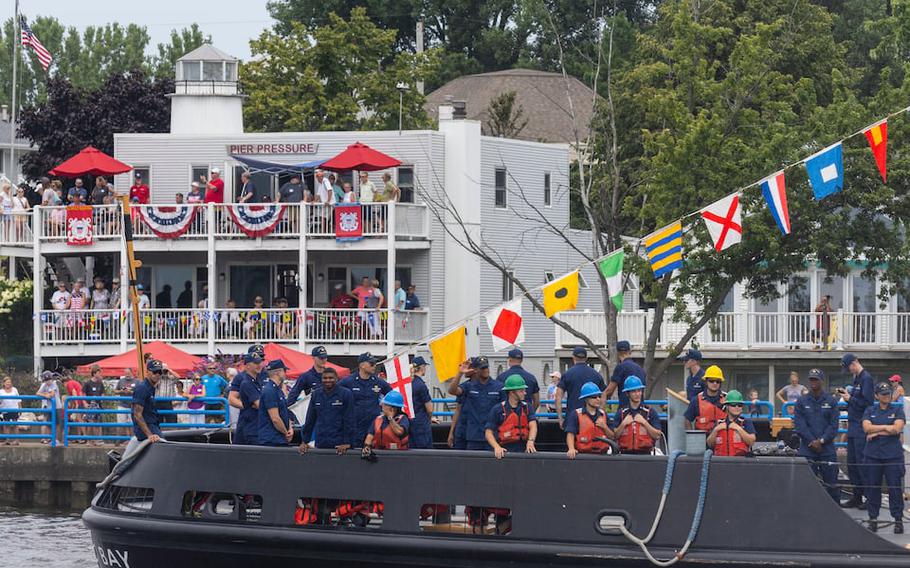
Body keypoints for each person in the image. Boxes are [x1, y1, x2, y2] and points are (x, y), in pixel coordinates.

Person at [862, 381, 906, 534]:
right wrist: (887, 427)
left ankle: (898, 520)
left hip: (892, 455)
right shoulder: (870, 410)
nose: (886, 396)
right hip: (873, 455)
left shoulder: (898, 409)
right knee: (873, 488)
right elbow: (867, 428)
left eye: (888, 393)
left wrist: (878, 432)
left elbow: (897, 429)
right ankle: (873, 519)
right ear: (876, 396)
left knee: (895, 489)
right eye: (883, 394)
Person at [793, 368, 841, 503]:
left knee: (832, 484)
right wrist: (812, 441)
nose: (813, 382)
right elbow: (800, 425)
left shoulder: (831, 401)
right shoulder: (801, 401)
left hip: (827, 449)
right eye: (811, 379)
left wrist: (821, 441)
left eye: (816, 379)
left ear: (822, 381)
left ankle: (835, 514)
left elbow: (834, 425)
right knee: (806, 485)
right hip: (808, 449)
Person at [839, 353, 875, 509]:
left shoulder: (866, 378)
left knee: (862, 463)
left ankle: (870, 498)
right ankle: (857, 495)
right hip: (853, 426)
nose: (849, 370)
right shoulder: (856, 379)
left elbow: (868, 403)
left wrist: (850, 399)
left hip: (862, 426)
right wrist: (847, 396)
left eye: (849, 367)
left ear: (854, 363)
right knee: (852, 463)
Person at [447, 357, 504, 450]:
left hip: (493, 436)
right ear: (476, 370)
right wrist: (460, 373)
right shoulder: (469, 386)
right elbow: (452, 391)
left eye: (486, 367)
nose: (486, 370)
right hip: (474, 436)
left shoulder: (499, 386)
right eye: (482, 368)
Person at [338, 353, 392, 447]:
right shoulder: (349, 381)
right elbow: (335, 392)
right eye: (371, 364)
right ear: (362, 365)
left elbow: (392, 395)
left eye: (375, 363)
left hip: (373, 426)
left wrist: (386, 411)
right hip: (355, 426)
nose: (374, 366)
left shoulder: (379, 382)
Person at [299, 367, 356, 454]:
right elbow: (310, 419)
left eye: (331, 378)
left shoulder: (345, 394)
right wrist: (304, 441)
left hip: (340, 445)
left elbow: (350, 419)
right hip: (321, 442)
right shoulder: (316, 394)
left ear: (336, 379)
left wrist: (347, 442)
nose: (327, 380)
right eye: (325, 378)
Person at [484, 375, 537, 459]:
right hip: (505, 449)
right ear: (512, 392)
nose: (525, 393)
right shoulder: (498, 409)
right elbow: (488, 432)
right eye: (521, 391)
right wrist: (496, 447)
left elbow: (533, 425)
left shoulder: (527, 407)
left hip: (524, 450)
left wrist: (530, 441)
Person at [555, 347, 606, 430]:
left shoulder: (567, 374)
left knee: (572, 441)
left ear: (573, 358)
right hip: (592, 417)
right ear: (586, 358)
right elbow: (604, 396)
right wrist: (601, 415)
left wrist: (560, 418)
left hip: (572, 417)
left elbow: (558, 397)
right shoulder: (596, 374)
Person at [125, 360, 165, 456]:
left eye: (160, 372)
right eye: (155, 372)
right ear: (147, 372)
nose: (157, 375)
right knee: (163, 448)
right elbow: (137, 414)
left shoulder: (151, 388)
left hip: (152, 425)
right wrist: (149, 435)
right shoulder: (142, 388)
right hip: (147, 428)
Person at [614, 376, 662, 455]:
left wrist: (644, 423)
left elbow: (657, 435)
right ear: (627, 393)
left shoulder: (650, 412)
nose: (637, 394)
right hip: (625, 455)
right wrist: (623, 424)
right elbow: (614, 436)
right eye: (634, 391)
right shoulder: (621, 413)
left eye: (639, 391)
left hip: (645, 455)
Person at [565, 381, 614, 458]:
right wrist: (571, 449)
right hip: (583, 455)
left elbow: (612, 436)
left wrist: (605, 427)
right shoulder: (576, 414)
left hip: (602, 455)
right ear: (586, 398)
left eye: (599, 396)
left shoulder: (603, 414)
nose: (598, 399)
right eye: (594, 397)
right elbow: (570, 434)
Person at [707, 390, 756, 457]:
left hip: (740, 462)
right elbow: (710, 444)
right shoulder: (719, 423)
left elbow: (751, 442)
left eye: (739, 405)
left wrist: (738, 429)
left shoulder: (746, 422)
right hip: (720, 462)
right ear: (727, 406)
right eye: (733, 405)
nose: (737, 407)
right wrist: (716, 430)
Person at [258, 360, 293, 447]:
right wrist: (286, 432)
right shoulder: (270, 390)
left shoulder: (277, 390)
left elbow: (284, 412)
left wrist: (290, 428)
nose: (285, 374)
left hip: (278, 438)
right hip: (272, 439)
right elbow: (275, 418)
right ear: (278, 372)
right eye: (284, 371)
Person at [684, 365, 727, 431]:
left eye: (718, 381)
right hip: (702, 438)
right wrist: (692, 437)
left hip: (722, 438)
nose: (715, 383)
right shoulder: (696, 400)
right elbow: (687, 420)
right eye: (711, 381)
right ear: (706, 381)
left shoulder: (727, 399)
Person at [233, 353, 264, 445]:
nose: (259, 365)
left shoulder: (257, 381)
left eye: (260, 362)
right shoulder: (247, 383)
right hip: (251, 426)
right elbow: (260, 405)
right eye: (255, 363)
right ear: (247, 366)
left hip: (257, 425)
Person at [605, 340, 646, 407]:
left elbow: (609, 391)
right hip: (640, 408)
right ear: (630, 351)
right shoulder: (640, 369)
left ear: (617, 353)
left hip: (625, 408)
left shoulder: (620, 367)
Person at [408, 356, 434, 449]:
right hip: (421, 423)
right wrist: (430, 418)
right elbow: (429, 409)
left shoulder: (408, 383)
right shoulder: (421, 385)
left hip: (409, 422)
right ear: (422, 367)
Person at [37, 371, 63, 443]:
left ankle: (56, 439)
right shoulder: (43, 385)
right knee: (49, 423)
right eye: (46, 380)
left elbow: (51, 394)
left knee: (57, 423)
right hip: (48, 407)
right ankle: (49, 438)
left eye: (49, 379)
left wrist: (45, 393)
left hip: (57, 406)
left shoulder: (54, 384)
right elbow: (38, 393)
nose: (48, 381)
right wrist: (45, 395)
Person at [83, 365, 107, 446]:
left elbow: (103, 393)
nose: (100, 374)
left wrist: (102, 398)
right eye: (98, 372)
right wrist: (85, 403)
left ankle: (97, 440)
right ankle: (89, 440)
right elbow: (83, 394)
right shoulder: (87, 383)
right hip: (90, 405)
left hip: (98, 405)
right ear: (94, 373)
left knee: (97, 422)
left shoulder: (100, 383)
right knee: (90, 423)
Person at [114, 369, 138, 443]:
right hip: (122, 404)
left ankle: (132, 440)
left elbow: (140, 391)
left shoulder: (137, 381)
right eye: (126, 373)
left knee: (132, 424)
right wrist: (122, 391)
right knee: (120, 423)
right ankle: (118, 440)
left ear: (131, 373)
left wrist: (131, 392)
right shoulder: (121, 381)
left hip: (132, 405)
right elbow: (115, 391)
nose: (127, 375)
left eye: (128, 373)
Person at [0, 376, 21, 445]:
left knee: (15, 424)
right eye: (7, 382)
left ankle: (17, 440)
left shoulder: (14, 389)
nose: (8, 384)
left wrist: (20, 409)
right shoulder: (1, 391)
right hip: (5, 410)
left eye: (9, 382)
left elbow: (18, 400)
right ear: (4, 383)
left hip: (14, 409)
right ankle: (7, 440)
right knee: (6, 425)